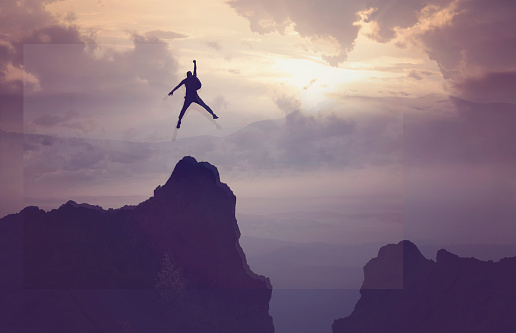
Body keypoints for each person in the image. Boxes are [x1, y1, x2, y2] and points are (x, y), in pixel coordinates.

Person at [168, 60, 218, 129]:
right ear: (190, 75)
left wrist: (172, 91)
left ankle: (179, 122)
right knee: (202, 106)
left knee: (184, 110)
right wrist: (195, 63)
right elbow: (194, 70)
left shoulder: (186, 80)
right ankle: (213, 114)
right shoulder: (192, 78)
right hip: (194, 97)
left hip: (190, 97)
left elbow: (178, 86)